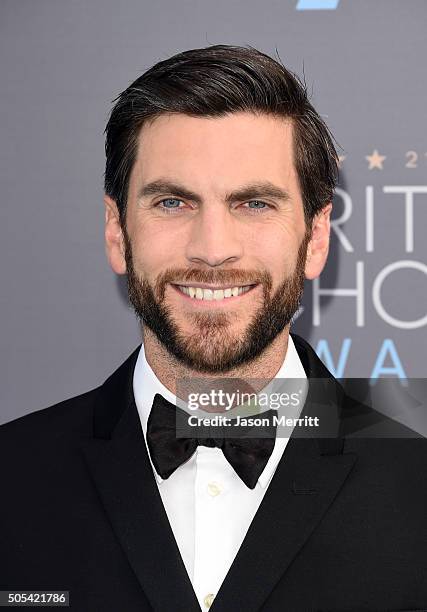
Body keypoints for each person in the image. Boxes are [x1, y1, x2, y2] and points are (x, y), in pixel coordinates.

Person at [1, 45, 426, 612]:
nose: (213, 250)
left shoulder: (418, 494)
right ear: (116, 230)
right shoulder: (11, 479)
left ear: (317, 236)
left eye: (254, 203)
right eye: (173, 202)